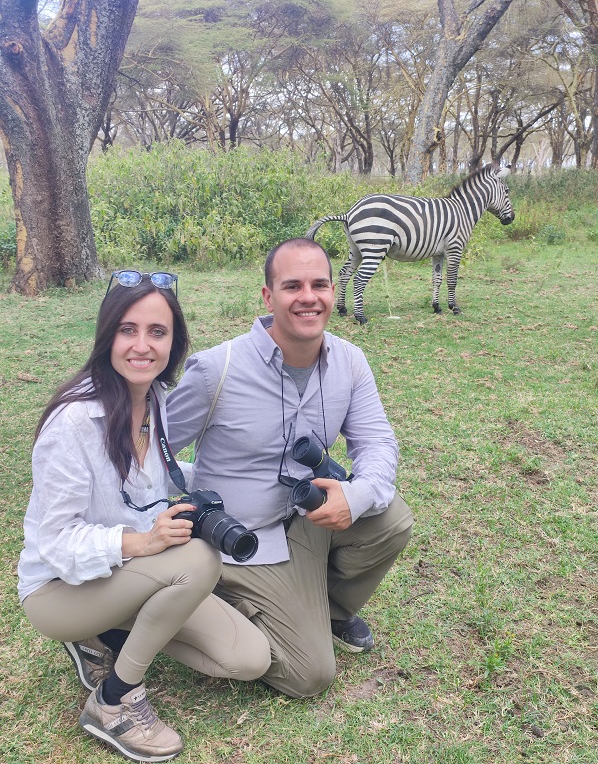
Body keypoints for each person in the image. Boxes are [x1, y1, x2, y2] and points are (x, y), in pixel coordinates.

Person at [17, 271, 270, 763]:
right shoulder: (72, 422)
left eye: (157, 332)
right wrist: (142, 543)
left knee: (249, 659)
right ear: (107, 335)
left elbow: (163, 477)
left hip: (129, 578)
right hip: (59, 591)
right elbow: (56, 540)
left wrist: (243, 477)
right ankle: (113, 701)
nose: (142, 346)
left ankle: (107, 637)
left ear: (174, 343)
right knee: (196, 560)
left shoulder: (157, 402)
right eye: (128, 330)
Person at [166, 239, 413, 698]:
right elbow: (152, 451)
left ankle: (331, 612)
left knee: (390, 517)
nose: (308, 297)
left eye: (319, 284)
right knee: (310, 675)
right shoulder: (216, 370)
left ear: (333, 292)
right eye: (292, 285)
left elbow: (378, 443)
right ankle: (207, 599)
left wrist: (355, 496)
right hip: (239, 539)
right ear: (268, 296)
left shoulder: (350, 363)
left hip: (303, 520)